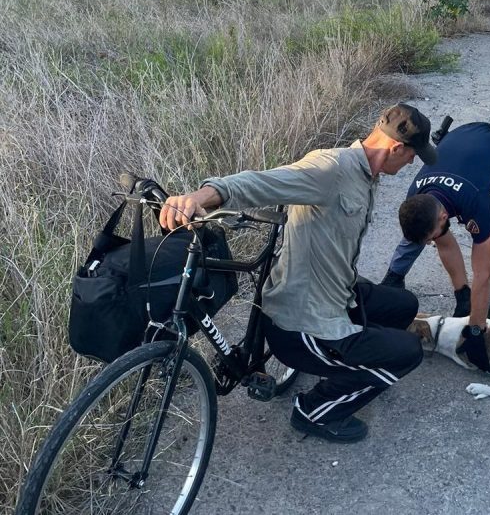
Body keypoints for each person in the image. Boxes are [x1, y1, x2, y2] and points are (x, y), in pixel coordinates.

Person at [159, 103, 438, 443]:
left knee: (404, 305)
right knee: (408, 351)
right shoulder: (331, 167)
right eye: (413, 156)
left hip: (337, 295)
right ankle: (314, 412)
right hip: (303, 323)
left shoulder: (367, 174)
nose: (412, 163)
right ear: (397, 148)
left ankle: (356, 367)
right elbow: (260, 182)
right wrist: (197, 197)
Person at [380, 119, 490, 372]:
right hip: (460, 146)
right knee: (420, 232)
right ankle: (393, 278)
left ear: (443, 217)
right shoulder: (417, 196)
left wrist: (476, 328)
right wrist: (462, 294)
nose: (432, 243)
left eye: (434, 235)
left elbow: (483, 274)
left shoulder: (474, 203)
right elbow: (445, 243)